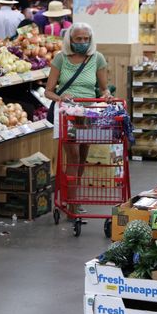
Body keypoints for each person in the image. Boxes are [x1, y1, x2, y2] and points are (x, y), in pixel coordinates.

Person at [44, 23, 110, 216]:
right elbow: (48, 91)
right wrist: (60, 97)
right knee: (72, 157)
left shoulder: (97, 58)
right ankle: (72, 201)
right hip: (68, 114)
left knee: (81, 158)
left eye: (85, 39)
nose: (82, 42)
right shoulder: (60, 59)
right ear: (70, 40)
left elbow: (104, 88)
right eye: (78, 39)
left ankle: (73, 196)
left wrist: (106, 95)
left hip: (89, 114)